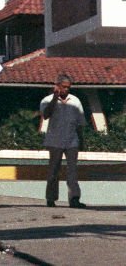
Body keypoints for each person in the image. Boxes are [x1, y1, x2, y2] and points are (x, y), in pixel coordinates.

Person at [41, 74, 87, 208]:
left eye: (68, 87)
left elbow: (80, 123)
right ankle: (51, 198)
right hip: (55, 141)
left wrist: (81, 140)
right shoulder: (47, 100)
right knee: (53, 171)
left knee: (72, 171)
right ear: (57, 86)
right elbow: (46, 115)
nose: (66, 89)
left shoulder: (75, 101)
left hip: (72, 141)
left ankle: (74, 198)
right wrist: (55, 98)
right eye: (64, 87)